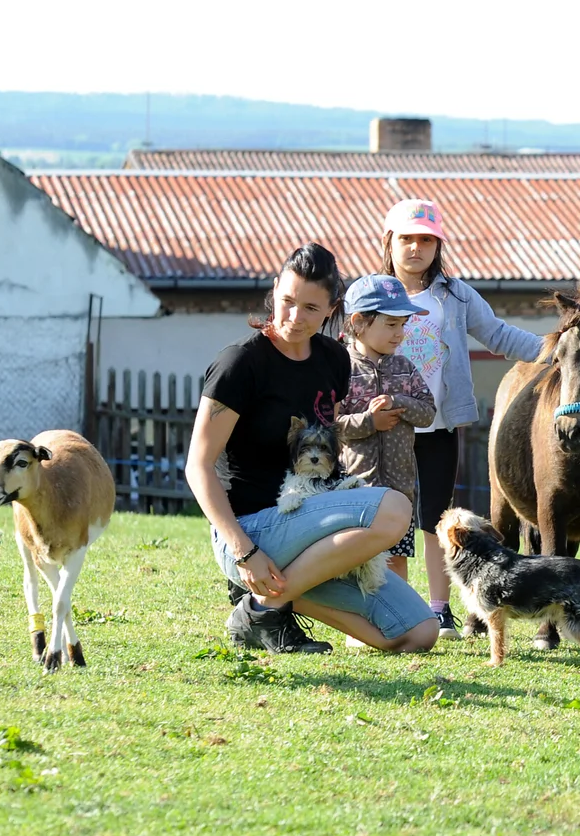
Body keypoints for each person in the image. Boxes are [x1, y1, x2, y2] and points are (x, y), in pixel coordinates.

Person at [184, 243, 438, 655]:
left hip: (314, 527)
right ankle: (265, 602)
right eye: (286, 302)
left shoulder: (333, 358)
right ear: (274, 290)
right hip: (254, 534)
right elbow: (198, 466)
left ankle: (267, 603)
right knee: (394, 509)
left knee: (418, 634)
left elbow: (331, 444)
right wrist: (244, 551)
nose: (294, 318)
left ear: (332, 309)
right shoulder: (239, 364)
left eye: (310, 309)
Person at [380, 198, 546, 636]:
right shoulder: (371, 292)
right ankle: (398, 607)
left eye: (426, 240)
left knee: (437, 518)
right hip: (385, 428)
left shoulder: (455, 295)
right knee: (391, 517)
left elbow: (498, 334)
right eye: (406, 239)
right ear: (389, 242)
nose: (415, 248)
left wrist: (556, 350)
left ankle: (439, 609)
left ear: (438, 246)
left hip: (438, 425)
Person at [337, 275, 437, 582]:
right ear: (358, 321)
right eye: (391, 325)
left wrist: (400, 401)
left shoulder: (404, 368)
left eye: (403, 325)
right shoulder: (340, 367)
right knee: (356, 561)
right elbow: (331, 426)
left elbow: (429, 413)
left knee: (395, 562)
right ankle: (358, 630)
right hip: (356, 490)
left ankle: (398, 625)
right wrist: (370, 421)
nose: (400, 334)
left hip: (400, 490)